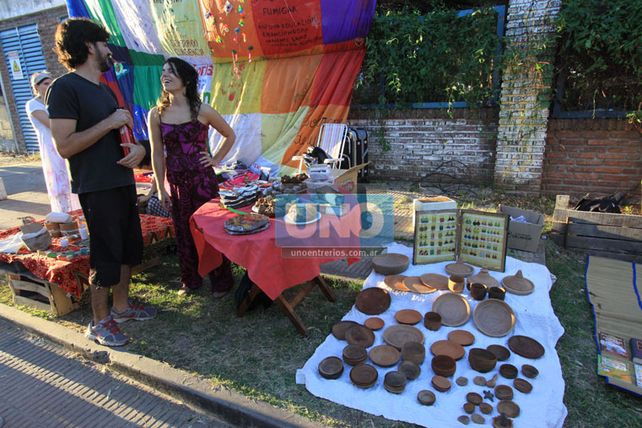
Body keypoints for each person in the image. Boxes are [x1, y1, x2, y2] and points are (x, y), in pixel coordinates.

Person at [46, 18, 156, 347]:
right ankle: (98, 321)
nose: (109, 51)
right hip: (96, 186)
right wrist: (109, 122)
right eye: (104, 44)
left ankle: (121, 307)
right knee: (106, 254)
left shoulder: (103, 89)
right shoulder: (64, 89)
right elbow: (64, 146)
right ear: (90, 46)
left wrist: (138, 150)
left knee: (128, 249)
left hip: (121, 181)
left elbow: (119, 135)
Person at [148, 57, 236, 297]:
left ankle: (222, 281)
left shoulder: (202, 109)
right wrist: (159, 186)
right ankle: (191, 280)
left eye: (171, 72)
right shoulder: (156, 114)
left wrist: (215, 159)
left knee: (211, 229)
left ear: (185, 79)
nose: (165, 76)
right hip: (176, 182)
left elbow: (229, 135)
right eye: (163, 72)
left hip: (203, 180)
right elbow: (157, 153)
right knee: (183, 231)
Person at [26, 71, 81, 213]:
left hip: (67, 141)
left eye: (51, 83)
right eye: (45, 83)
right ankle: (65, 214)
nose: (49, 86)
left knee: (73, 179)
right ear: (36, 87)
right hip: (51, 146)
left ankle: (79, 213)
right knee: (60, 183)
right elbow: (52, 124)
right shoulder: (33, 105)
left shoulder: (56, 101)